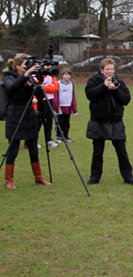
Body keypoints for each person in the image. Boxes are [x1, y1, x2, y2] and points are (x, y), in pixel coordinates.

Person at [85, 58, 133, 186]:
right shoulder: (93, 81)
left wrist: (115, 90)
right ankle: (95, 177)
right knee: (98, 151)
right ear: (101, 70)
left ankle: (128, 177)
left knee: (121, 151)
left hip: (115, 121)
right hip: (99, 121)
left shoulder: (119, 82)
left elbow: (126, 100)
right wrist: (103, 86)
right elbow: (90, 95)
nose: (110, 71)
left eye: (112, 69)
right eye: (107, 69)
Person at [3, 53, 52, 189]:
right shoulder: (8, 76)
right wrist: (24, 77)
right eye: (25, 65)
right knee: (13, 149)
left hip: (29, 114)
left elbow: (40, 95)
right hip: (15, 115)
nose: (28, 68)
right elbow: (11, 87)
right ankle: (9, 180)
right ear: (18, 66)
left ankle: (38, 177)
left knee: (33, 149)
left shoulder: (30, 79)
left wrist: (35, 83)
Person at [37, 65, 59, 148]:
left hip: (50, 100)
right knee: (39, 121)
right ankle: (35, 140)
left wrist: (45, 88)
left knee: (49, 121)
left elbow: (56, 88)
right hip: (41, 101)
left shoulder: (51, 76)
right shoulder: (38, 75)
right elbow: (38, 87)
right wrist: (48, 88)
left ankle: (49, 140)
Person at [53, 68, 78, 142]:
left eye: (69, 75)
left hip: (68, 106)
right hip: (60, 106)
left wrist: (74, 107)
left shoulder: (71, 84)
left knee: (66, 122)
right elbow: (56, 95)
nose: (67, 76)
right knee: (59, 122)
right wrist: (56, 106)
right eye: (66, 74)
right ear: (62, 75)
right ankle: (58, 136)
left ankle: (66, 136)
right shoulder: (58, 84)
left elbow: (73, 95)